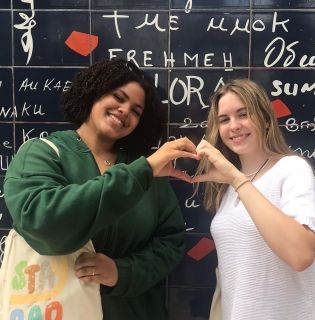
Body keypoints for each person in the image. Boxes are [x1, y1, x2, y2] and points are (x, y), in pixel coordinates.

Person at [4, 58, 198, 320]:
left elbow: (171, 240)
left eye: (136, 110)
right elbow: (42, 221)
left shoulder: (148, 168)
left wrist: (121, 272)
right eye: (118, 97)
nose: (124, 110)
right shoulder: (43, 153)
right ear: (93, 93)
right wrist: (140, 173)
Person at [192, 79, 315, 320]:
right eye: (224, 119)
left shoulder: (292, 169)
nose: (234, 126)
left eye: (244, 114)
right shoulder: (228, 188)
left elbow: (301, 255)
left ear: (265, 118)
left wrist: (237, 179)